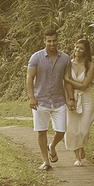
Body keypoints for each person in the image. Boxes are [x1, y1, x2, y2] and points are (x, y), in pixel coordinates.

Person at [26, 28, 71, 170]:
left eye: (54, 40)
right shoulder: (36, 57)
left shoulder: (65, 58)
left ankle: (52, 146)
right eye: (49, 41)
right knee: (42, 131)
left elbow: (67, 80)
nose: (52, 43)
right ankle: (46, 161)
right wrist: (31, 97)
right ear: (44, 41)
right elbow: (29, 78)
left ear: (57, 40)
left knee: (62, 130)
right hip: (40, 100)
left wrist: (70, 99)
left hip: (59, 100)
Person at [63, 38, 94, 166]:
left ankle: (81, 145)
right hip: (71, 96)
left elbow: (84, 86)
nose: (77, 50)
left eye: (81, 48)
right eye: (76, 47)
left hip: (85, 97)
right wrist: (69, 99)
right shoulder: (68, 64)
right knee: (72, 128)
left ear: (86, 51)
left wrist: (68, 80)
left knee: (84, 130)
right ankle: (77, 157)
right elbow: (66, 84)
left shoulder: (90, 65)